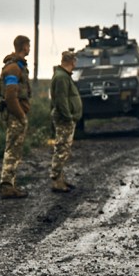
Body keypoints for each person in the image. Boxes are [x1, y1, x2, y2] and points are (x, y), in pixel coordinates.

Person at [0, 35, 32, 199]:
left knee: (15, 150)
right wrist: (20, 116)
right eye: (28, 45)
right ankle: (6, 186)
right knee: (12, 150)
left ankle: (10, 185)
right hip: (15, 116)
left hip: (16, 115)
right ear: (24, 46)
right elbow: (11, 96)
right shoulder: (13, 68)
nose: (29, 48)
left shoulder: (18, 66)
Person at [49, 50, 83, 193]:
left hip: (66, 118)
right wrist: (68, 117)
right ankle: (56, 180)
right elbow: (61, 100)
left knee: (64, 148)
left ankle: (60, 178)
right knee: (62, 149)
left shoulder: (63, 76)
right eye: (75, 60)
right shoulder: (62, 77)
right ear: (72, 61)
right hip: (64, 119)